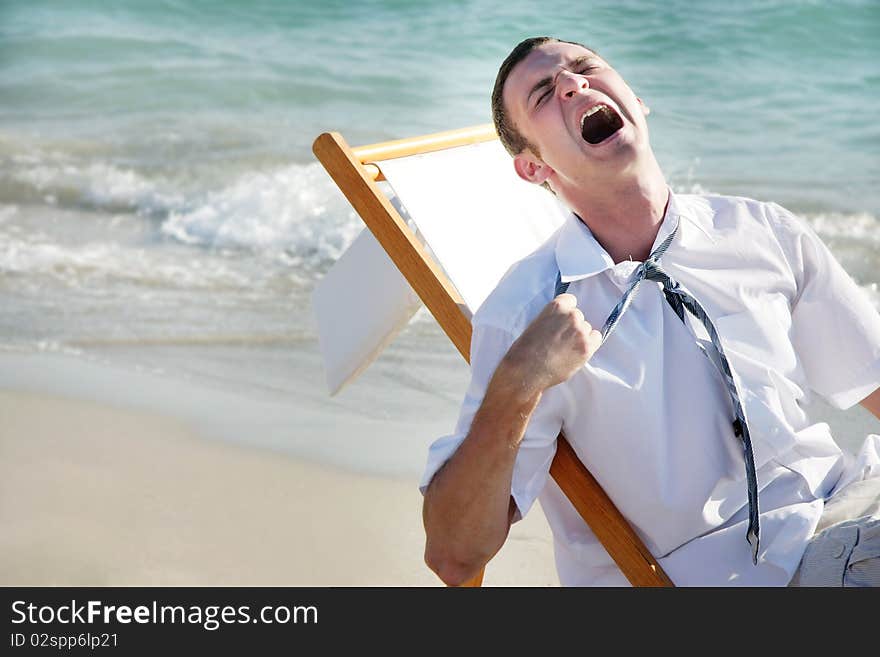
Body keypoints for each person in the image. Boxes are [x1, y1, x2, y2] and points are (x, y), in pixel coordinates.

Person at [419, 36, 880, 587]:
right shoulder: (527, 314)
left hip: (847, 507)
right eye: (544, 94)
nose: (572, 83)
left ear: (637, 100)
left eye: (585, 68)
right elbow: (454, 556)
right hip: (742, 575)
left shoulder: (761, 232)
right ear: (533, 170)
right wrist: (517, 385)